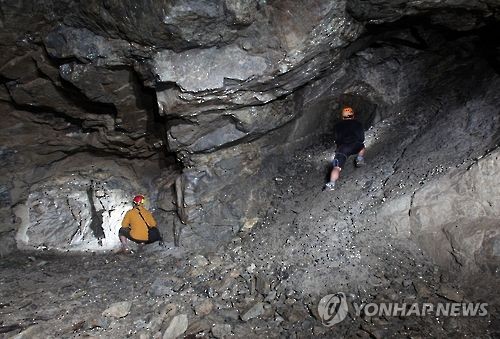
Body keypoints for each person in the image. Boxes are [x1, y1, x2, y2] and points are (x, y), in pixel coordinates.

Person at [325, 106, 366, 190]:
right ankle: (359, 159)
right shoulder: (358, 124)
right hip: (355, 145)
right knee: (362, 147)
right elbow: (362, 138)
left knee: (336, 167)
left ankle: (331, 184)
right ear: (353, 115)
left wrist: (339, 148)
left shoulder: (337, 126)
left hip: (343, 148)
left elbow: (337, 139)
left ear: (342, 116)